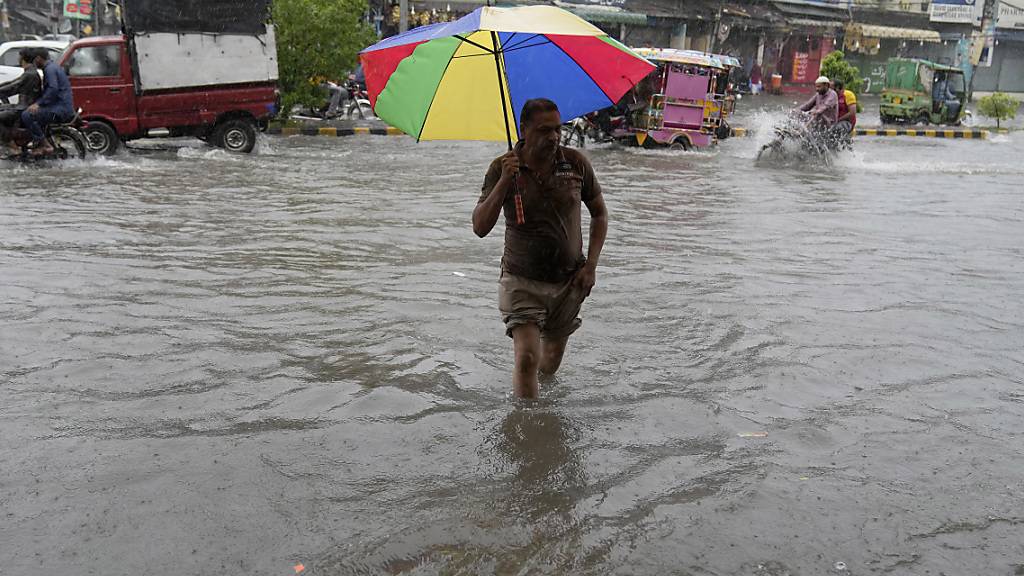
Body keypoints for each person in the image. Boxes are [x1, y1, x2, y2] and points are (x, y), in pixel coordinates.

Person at [473, 98, 609, 399]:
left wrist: (591, 266)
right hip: (521, 280)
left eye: (557, 129)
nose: (553, 137)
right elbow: (480, 227)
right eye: (544, 130)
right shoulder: (501, 168)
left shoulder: (575, 163)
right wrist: (505, 182)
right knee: (527, 358)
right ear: (524, 130)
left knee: (550, 362)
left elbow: (599, 213)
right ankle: (527, 434)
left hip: (568, 281)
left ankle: (543, 415)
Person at [21, 47, 75, 155]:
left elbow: (52, 89)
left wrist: (38, 104)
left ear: (38, 58)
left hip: (59, 110)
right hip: (61, 107)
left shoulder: (49, 69)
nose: (34, 63)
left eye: (34, 60)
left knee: (27, 115)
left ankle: (44, 144)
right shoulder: (53, 67)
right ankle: (37, 141)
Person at [0, 48, 44, 147]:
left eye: (19, 56)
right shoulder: (30, 72)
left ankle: (12, 145)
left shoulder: (29, 74)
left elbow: (14, 87)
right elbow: (13, 83)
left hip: (24, 107)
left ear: (22, 58)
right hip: (23, 105)